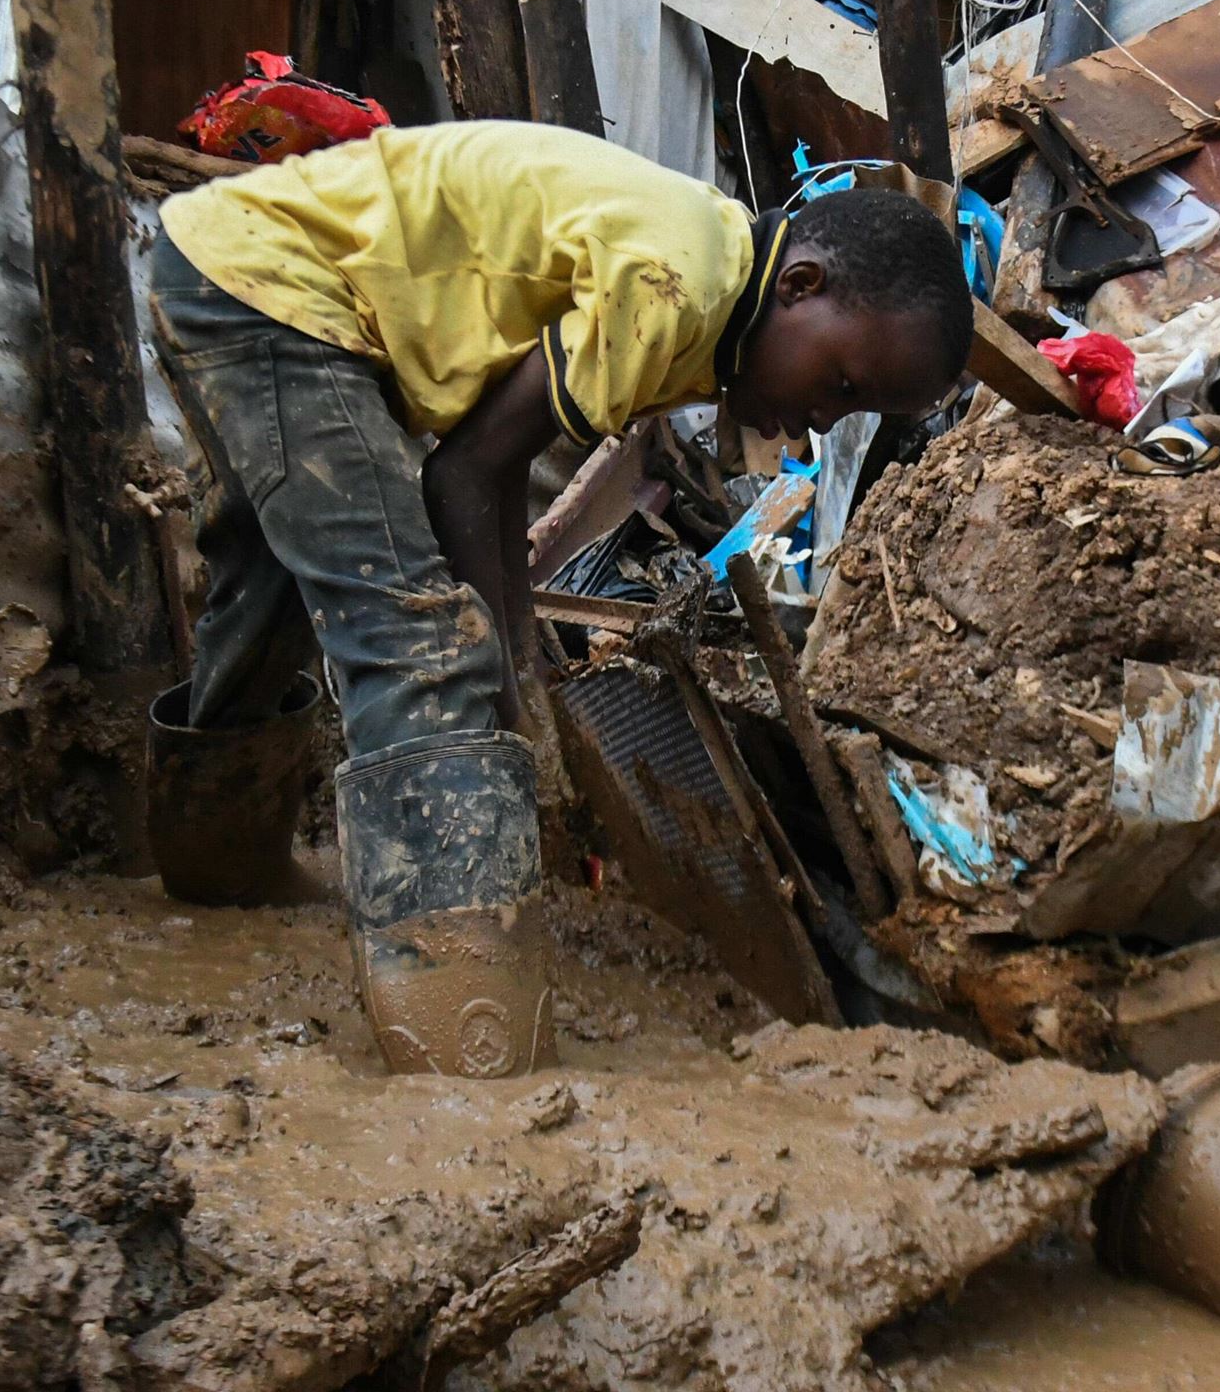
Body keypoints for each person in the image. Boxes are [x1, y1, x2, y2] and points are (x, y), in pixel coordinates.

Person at [142, 120, 973, 1079]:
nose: (825, 421)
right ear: (801, 286)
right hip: (271, 294)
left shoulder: (707, 274)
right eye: (840, 383)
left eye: (852, 414)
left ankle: (217, 873)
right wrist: (496, 675)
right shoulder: (678, 284)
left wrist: (520, 642)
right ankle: (465, 1040)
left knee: (270, 588)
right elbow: (460, 479)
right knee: (419, 642)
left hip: (228, 266)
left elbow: (493, 464)